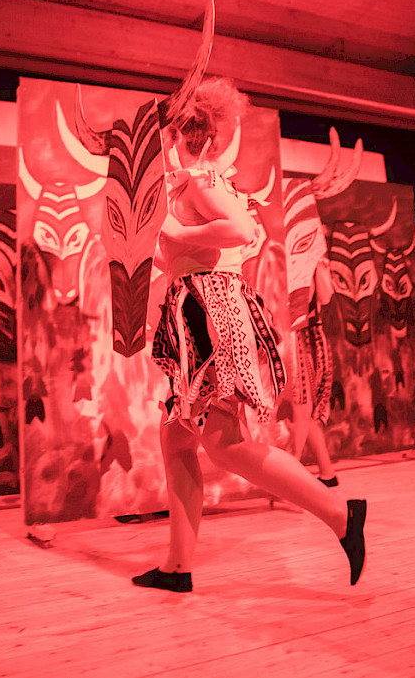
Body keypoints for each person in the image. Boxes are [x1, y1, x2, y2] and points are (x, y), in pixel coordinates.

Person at [135, 78, 366, 592]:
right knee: (176, 437)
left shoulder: (200, 180)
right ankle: (177, 567)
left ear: (180, 134)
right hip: (199, 307)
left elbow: (239, 229)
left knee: (225, 445)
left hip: (210, 308)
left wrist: (176, 233)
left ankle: (341, 514)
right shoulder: (194, 181)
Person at [290, 257, 340, 487]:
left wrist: (319, 265)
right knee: (304, 411)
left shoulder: (309, 261)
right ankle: (327, 472)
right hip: (299, 336)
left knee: (302, 408)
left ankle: (289, 477)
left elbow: (325, 295)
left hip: (304, 337)